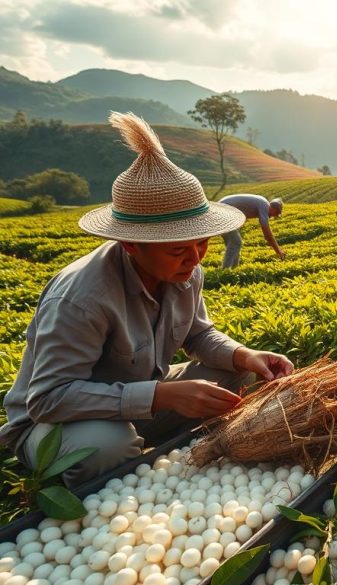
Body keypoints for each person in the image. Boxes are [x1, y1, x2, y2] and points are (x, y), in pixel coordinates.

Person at [0, 112, 294, 484]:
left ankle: (159, 450)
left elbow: (199, 335)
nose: (195, 258)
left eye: (202, 242)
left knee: (233, 374)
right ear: (131, 244)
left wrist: (246, 355)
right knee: (106, 446)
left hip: (136, 399)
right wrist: (162, 396)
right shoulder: (81, 298)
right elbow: (48, 399)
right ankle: (118, 458)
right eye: (177, 250)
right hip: (57, 422)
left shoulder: (185, 270)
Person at [218, 194, 285, 268]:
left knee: (234, 244)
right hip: (224, 211)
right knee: (236, 243)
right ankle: (225, 271)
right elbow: (267, 234)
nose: (273, 216)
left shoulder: (263, 203)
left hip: (223, 210)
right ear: (274, 209)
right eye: (276, 214)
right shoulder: (264, 207)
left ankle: (233, 269)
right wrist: (278, 251)